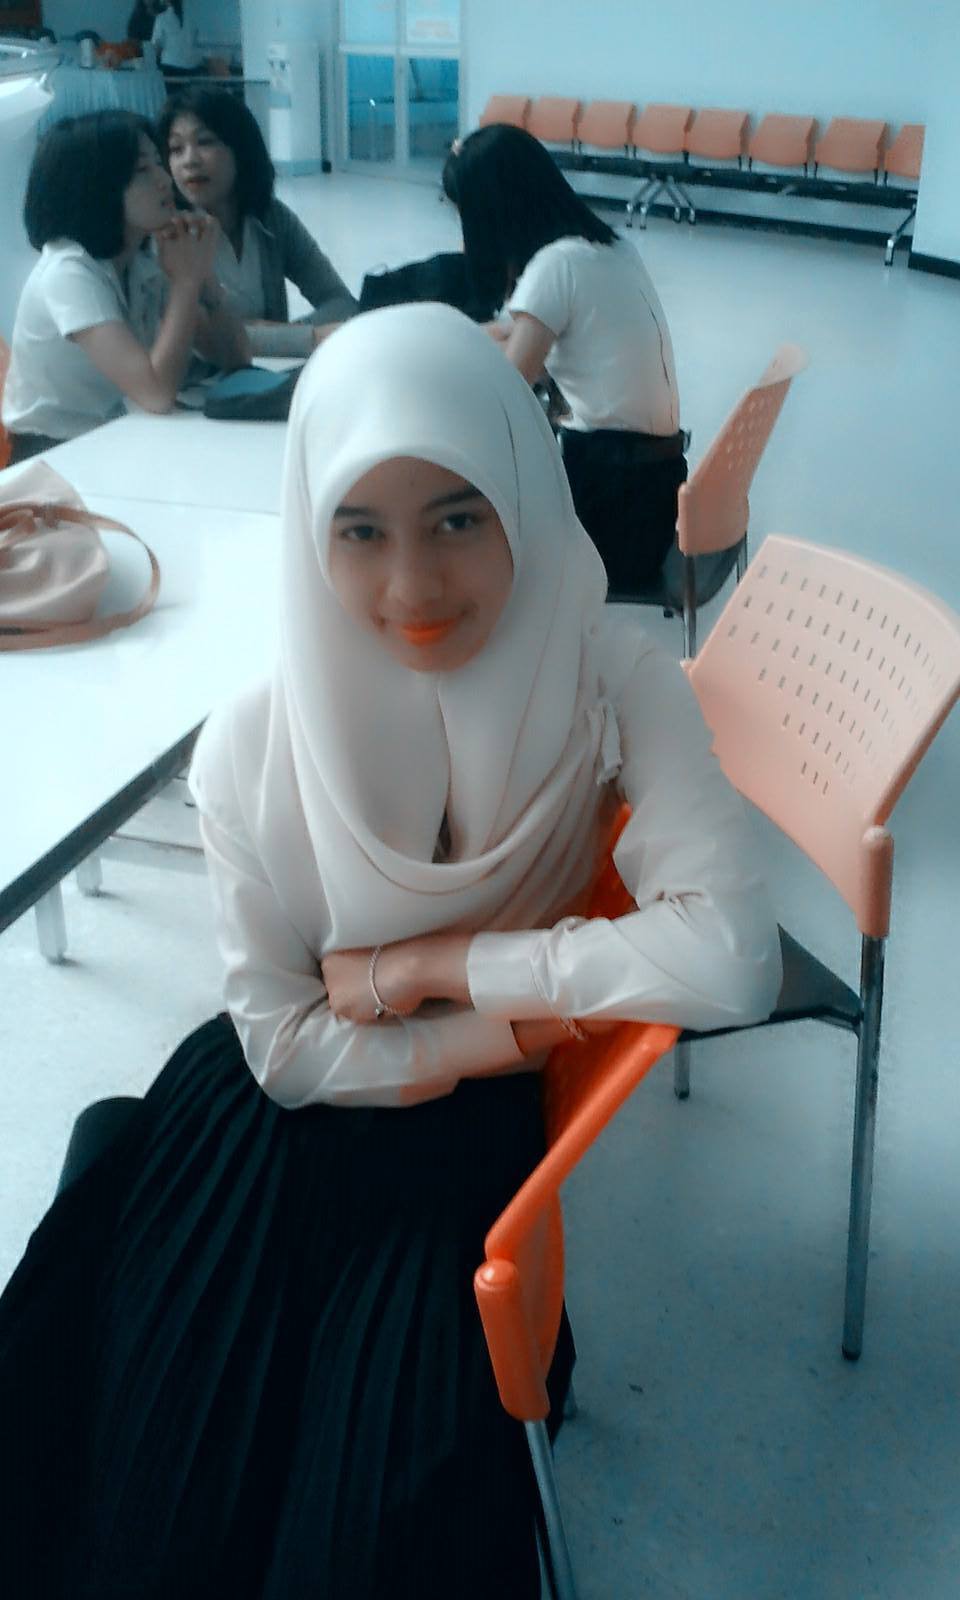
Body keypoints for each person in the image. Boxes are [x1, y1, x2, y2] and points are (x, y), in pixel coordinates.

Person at [0, 304, 781, 1598]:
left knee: (365, 1548)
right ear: (311, 531)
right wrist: (504, 1029)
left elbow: (735, 955)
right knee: (146, 1531)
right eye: (360, 530)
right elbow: (284, 1049)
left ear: (521, 496)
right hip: (263, 1118)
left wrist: (439, 966)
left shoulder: (611, 671)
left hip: (455, 1158)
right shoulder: (251, 743)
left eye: (457, 519)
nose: (412, 588)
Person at [443, 122, 688, 593]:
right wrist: (448, 335)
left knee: (465, 512)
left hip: (613, 514)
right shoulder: (608, 247)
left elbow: (508, 390)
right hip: (655, 493)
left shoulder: (555, 267)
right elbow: (516, 332)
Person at [2, 111, 249, 463]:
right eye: (143, 170)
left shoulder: (141, 258)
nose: (165, 179)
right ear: (96, 187)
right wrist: (186, 282)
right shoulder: (68, 272)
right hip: (53, 454)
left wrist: (206, 281)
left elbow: (235, 357)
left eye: (158, 163)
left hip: (118, 438)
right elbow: (156, 393)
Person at [158, 86, 357, 358]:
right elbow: (201, 340)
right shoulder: (169, 236)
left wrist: (278, 335)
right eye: (176, 149)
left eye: (205, 142)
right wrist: (304, 337)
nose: (189, 161)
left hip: (269, 373)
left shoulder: (272, 218)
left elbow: (340, 302)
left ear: (241, 148)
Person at [150, 0, 202, 77]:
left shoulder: (161, 18)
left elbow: (157, 47)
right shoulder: (195, 17)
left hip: (170, 66)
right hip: (193, 66)